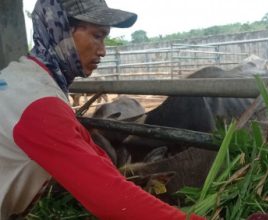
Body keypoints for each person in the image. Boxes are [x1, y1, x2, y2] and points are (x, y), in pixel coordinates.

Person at [0, 0, 204, 219]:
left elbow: (86, 148)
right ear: (59, 29)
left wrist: (116, 176)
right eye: (97, 36)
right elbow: (112, 200)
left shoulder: (20, 79)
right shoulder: (38, 104)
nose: (104, 51)